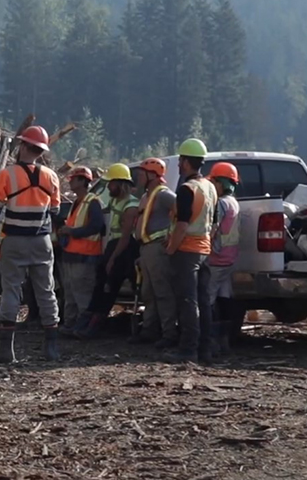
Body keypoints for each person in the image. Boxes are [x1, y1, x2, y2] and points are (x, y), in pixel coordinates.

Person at [0, 126, 61, 363]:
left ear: (23, 146)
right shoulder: (51, 176)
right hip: (42, 241)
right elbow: (56, 211)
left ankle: (5, 350)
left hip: (14, 241)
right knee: (46, 292)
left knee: (11, 291)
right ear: (41, 150)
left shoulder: (7, 176)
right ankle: (51, 348)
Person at [67, 163, 140, 339]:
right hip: (113, 246)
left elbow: (125, 237)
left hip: (125, 248)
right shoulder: (115, 201)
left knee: (109, 288)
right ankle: (84, 325)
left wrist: (112, 259)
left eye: (111, 184)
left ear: (120, 183)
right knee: (101, 285)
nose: (109, 187)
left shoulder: (131, 205)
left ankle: (92, 328)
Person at [164, 139, 219, 364]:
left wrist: (171, 249)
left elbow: (182, 225)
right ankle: (205, 349)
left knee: (187, 302)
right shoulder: (210, 188)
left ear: (186, 162)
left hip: (187, 251)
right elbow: (213, 225)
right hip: (204, 251)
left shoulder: (187, 189)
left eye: (180, 161)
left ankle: (188, 350)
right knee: (203, 301)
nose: (178, 165)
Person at [130, 157, 177, 346]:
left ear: (153, 175)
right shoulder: (146, 196)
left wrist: (171, 235)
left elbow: (182, 213)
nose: (139, 177)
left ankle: (169, 333)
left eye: (142, 174)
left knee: (163, 291)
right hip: (146, 248)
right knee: (148, 292)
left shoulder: (164, 195)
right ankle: (149, 330)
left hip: (158, 247)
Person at [56, 166, 105, 330]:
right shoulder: (77, 202)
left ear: (83, 181)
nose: (70, 182)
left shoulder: (93, 202)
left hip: (85, 257)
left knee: (82, 295)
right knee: (70, 294)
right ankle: (71, 325)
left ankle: (83, 328)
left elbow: (96, 226)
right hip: (72, 255)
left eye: (74, 179)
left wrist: (72, 232)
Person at [205, 162, 241, 357]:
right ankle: (225, 340)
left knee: (208, 298)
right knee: (225, 296)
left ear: (221, 183)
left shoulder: (220, 203)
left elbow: (212, 230)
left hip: (216, 258)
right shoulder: (234, 202)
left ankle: (210, 341)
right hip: (230, 258)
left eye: (214, 182)